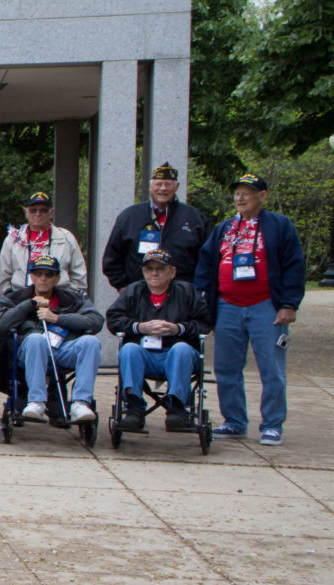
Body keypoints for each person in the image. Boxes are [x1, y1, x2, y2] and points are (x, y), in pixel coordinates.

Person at [195, 173, 305, 446]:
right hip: (227, 306)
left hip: (266, 306)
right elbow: (206, 263)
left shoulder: (280, 225)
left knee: (272, 369)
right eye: (237, 193)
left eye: (247, 192)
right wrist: (201, 297)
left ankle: (271, 425)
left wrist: (289, 304)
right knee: (226, 367)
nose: (240, 198)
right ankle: (234, 421)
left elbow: (294, 266)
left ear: (262, 196)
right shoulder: (225, 228)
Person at [0, 255, 103, 424]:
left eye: (49, 275)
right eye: (38, 274)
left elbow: (96, 321)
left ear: (57, 278)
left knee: (91, 342)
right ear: (31, 277)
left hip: (62, 349)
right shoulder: (15, 297)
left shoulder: (72, 298)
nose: (43, 279)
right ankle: (36, 401)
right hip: (29, 351)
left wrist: (57, 318)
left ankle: (81, 403)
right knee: (36, 339)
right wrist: (29, 304)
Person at [107, 249, 209, 433]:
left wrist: (179, 329)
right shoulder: (133, 291)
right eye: (149, 269)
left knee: (181, 349)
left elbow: (205, 323)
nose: (154, 273)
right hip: (145, 355)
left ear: (172, 272)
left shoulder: (187, 292)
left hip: (177, 355)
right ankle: (134, 407)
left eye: (160, 269)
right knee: (129, 348)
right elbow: (113, 320)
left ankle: (177, 408)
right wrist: (139, 327)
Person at [103, 163, 210, 290]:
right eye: (159, 184)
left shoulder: (194, 218)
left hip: (182, 297)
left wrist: (196, 291)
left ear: (177, 187)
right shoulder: (130, 217)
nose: (163, 188)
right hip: (139, 296)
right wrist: (124, 288)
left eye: (168, 184)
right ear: (150, 186)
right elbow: (112, 258)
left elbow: (207, 260)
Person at [0, 191, 89, 295]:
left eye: (43, 210)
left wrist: (69, 297)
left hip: (58, 300)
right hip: (20, 298)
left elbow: (79, 274)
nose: (38, 214)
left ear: (51, 212)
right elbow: (3, 275)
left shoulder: (66, 238)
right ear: (26, 211)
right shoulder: (13, 239)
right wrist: (9, 296)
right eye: (33, 210)